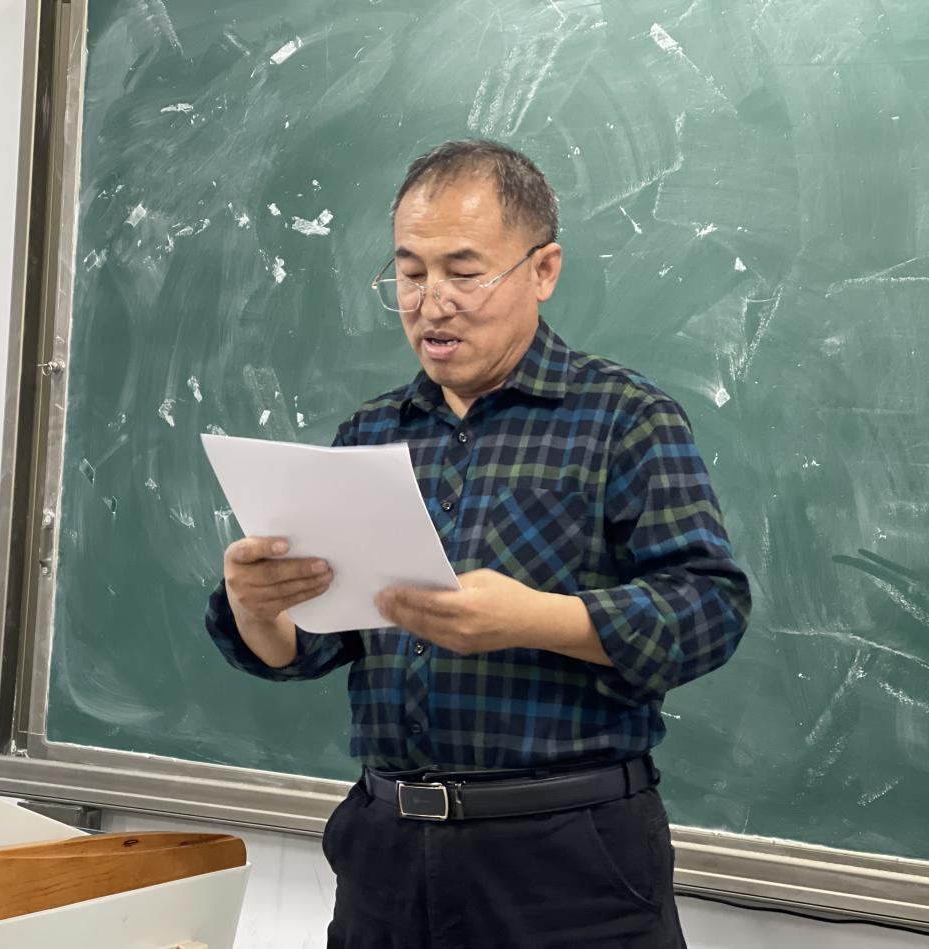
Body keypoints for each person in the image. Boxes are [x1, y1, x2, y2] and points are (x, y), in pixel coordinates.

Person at [205, 139, 750, 948]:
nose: (432, 303)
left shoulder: (625, 419)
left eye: (464, 273)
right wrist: (259, 608)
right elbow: (318, 643)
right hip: (385, 857)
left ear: (543, 270)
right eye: (409, 273)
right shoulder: (371, 434)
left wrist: (535, 619)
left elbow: (711, 609)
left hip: (567, 864)